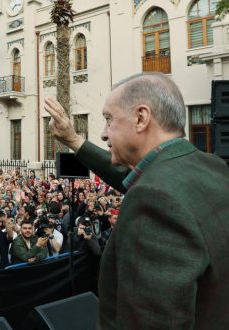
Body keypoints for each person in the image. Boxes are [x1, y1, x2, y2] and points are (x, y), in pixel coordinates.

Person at [44, 72, 229, 328]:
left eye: (109, 120)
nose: (104, 133)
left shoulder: (154, 198)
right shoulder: (212, 166)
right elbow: (137, 177)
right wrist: (74, 140)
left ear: (141, 118)